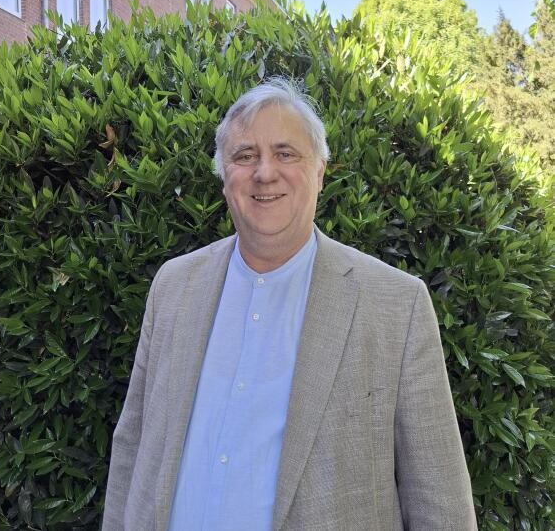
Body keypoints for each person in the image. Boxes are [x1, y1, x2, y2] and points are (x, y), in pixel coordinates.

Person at [102, 78, 477, 530]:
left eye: (285, 153)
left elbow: (441, 501)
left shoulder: (397, 306)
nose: (264, 172)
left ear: (319, 172)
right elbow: (133, 447)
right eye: (245, 156)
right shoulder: (174, 286)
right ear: (224, 176)